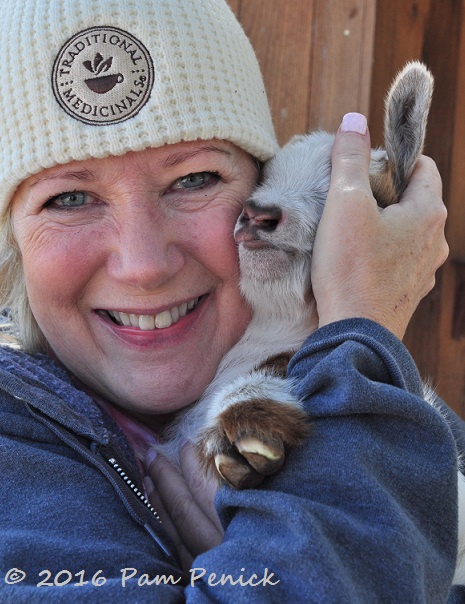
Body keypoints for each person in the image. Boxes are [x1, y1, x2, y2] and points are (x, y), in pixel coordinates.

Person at [0, 0, 461, 601]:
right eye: (67, 198)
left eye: (195, 180)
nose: (143, 266)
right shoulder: (13, 454)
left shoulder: (398, 411)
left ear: (261, 186)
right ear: (12, 244)